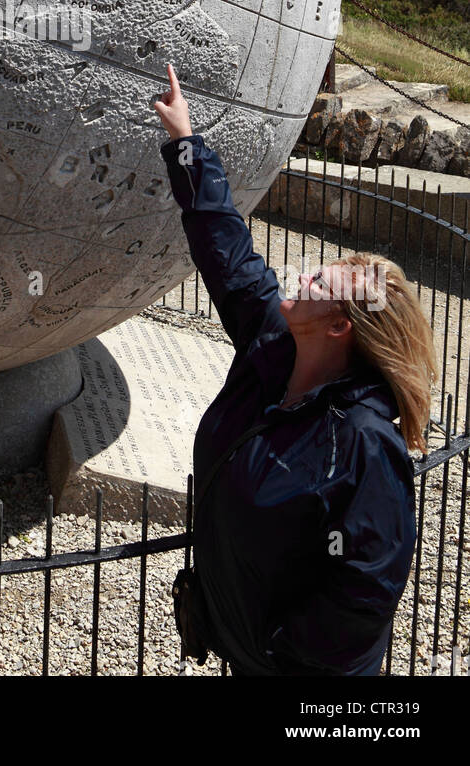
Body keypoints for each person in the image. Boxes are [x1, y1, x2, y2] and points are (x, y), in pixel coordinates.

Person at [154, 63, 437, 676]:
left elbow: (366, 590)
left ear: (339, 328)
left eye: (319, 280)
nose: (301, 274)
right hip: (238, 650)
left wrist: (278, 651)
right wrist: (185, 147)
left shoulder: (363, 445)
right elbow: (225, 251)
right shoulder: (274, 346)